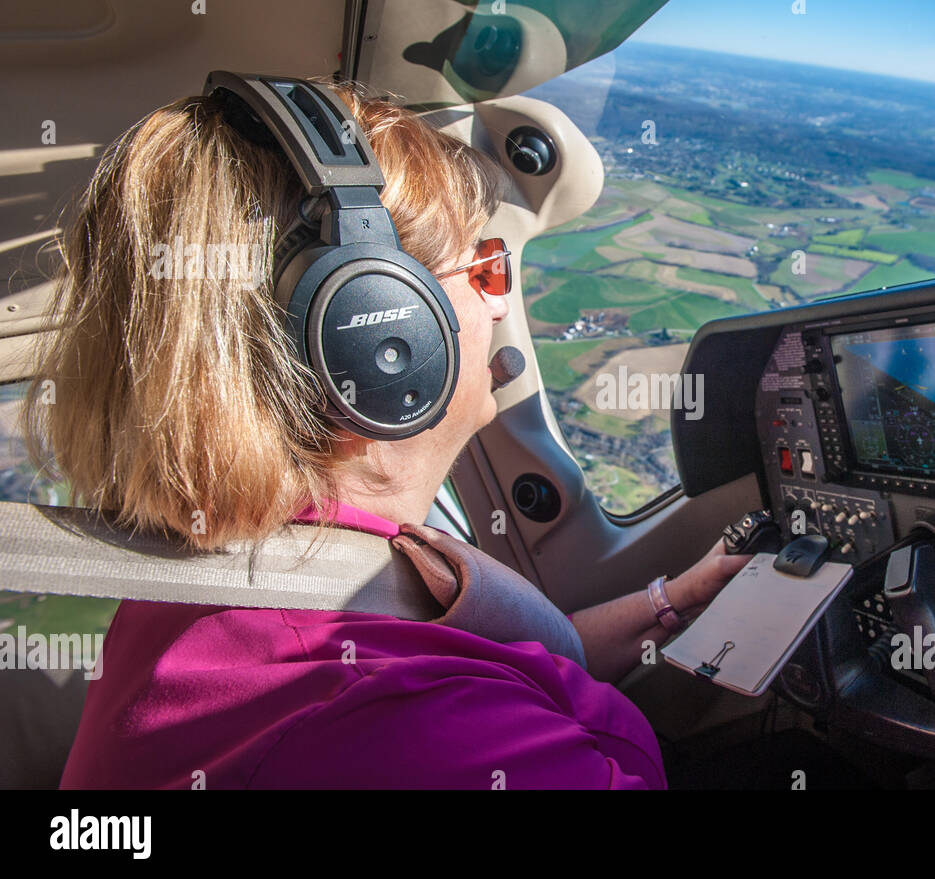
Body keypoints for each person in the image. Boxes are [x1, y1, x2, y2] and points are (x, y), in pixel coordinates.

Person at [29, 80, 750, 789]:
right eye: (486, 267)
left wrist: (671, 601)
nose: (500, 302)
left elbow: (492, 660)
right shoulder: (404, 726)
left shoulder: (232, 575)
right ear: (376, 332)